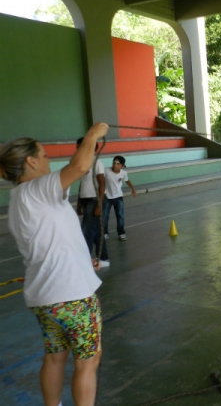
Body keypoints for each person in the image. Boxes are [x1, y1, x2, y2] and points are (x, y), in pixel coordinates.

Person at [0, 123, 108, 406]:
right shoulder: (37, 188)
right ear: (31, 161)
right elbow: (80, 167)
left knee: (55, 357)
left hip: (46, 298)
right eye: (45, 156)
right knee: (88, 360)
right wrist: (94, 134)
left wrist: (84, 263)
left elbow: (50, 242)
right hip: (72, 297)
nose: (49, 161)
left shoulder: (19, 198)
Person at [76, 137, 109, 268]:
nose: (78, 149)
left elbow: (102, 183)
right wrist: (79, 203)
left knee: (86, 231)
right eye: (77, 147)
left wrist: (99, 205)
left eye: (81, 147)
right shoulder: (83, 164)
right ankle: (104, 259)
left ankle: (86, 260)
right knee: (96, 232)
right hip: (85, 199)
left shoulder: (97, 162)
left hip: (95, 200)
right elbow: (82, 184)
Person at [103, 155, 136, 241]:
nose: (115, 165)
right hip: (107, 197)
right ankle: (105, 233)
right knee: (105, 216)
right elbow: (100, 180)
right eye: (114, 163)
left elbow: (127, 180)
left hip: (118, 197)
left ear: (122, 166)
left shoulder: (123, 173)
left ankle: (121, 233)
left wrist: (132, 189)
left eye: (118, 164)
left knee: (120, 216)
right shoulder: (106, 171)